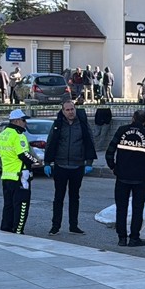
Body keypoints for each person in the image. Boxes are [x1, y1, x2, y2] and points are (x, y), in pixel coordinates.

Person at [43, 100, 96, 236]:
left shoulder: (82, 124)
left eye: (72, 109)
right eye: (67, 110)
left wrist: (89, 163)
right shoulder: (58, 124)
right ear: (63, 111)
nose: (70, 112)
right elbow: (50, 142)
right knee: (58, 197)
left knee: (74, 197)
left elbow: (90, 141)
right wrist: (47, 163)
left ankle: (74, 226)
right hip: (61, 166)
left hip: (77, 166)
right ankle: (55, 226)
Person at [105, 110, 145, 247]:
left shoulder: (122, 130)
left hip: (122, 176)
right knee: (137, 209)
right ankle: (134, 238)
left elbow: (109, 152)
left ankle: (121, 238)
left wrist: (114, 167)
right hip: (140, 178)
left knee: (121, 208)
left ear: (132, 118)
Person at [0, 109, 42, 233]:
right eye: (23, 120)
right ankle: (18, 230)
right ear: (16, 121)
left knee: (8, 205)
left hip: (6, 175)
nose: (25, 123)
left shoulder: (2, 134)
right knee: (22, 205)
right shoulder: (18, 135)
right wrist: (36, 162)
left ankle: (6, 228)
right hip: (20, 175)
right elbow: (23, 154)